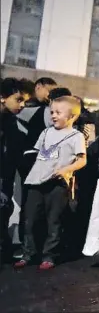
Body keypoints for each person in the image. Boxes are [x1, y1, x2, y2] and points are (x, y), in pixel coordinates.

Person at [14, 96, 87, 270]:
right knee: (30, 219)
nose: (53, 115)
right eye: (52, 112)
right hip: (35, 181)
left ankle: (49, 255)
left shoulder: (76, 136)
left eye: (58, 112)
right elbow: (39, 154)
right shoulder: (46, 132)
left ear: (71, 116)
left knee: (54, 220)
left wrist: (66, 169)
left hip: (57, 184)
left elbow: (82, 160)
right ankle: (28, 253)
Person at [0, 78, 27, 266]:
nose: (23, 105)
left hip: (6, 180)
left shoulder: (12, 123)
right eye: (18, 99)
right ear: (3, 98)